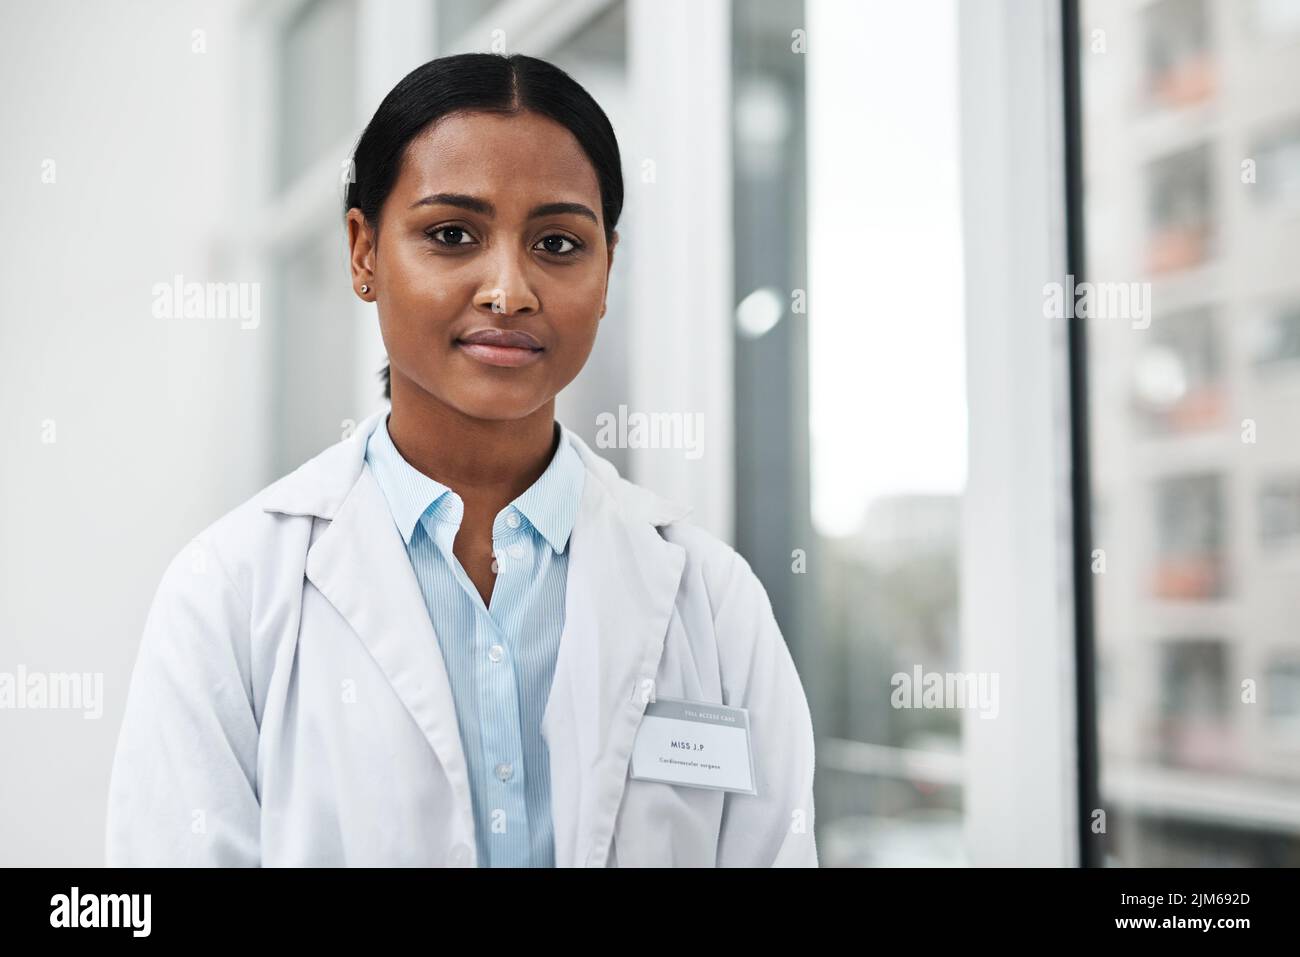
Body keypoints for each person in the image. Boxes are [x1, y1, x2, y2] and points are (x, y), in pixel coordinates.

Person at [105, 52, 817, 867]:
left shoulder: (715, 603)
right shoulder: (229, 593)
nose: (509, 290)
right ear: (364, 251)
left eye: (557, 242)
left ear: (607, 267)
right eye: (452, 234)